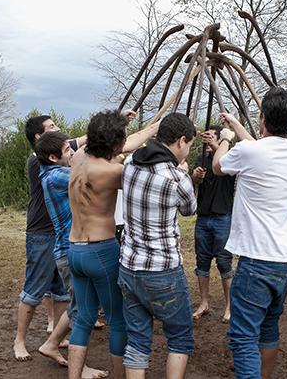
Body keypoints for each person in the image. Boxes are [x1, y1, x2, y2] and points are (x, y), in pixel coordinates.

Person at [212, 87, 287, 379]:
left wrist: (225, 139)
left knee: (242, 336)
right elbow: (260, 147)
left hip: (256, 261)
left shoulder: (248, 151)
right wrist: (237, 125)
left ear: (263, 117)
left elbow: (217, 167)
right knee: (268, 329)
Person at [67, 110, 159, 379]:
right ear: (113, 143)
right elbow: (132, 159)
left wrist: (147, 127)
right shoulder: (114, 171)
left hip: (75, 249)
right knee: (117, 318)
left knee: (83, 317)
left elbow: (122, 144)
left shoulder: (77, 158)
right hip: (101, 251)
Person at [117, 112, 197, 378]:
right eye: (189, 145)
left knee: (138, 340)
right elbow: (189, 209)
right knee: (180, 338)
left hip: (129, 266)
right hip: (163, 270)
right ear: (181, 140)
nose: (188, 151)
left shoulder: (130, 163)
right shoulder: (176, 178)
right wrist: (184, 174)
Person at [34, 130, 110, 378]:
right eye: (68, 151)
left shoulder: (52, 170)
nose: (73, 153)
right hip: (70, 251)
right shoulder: (56, 176)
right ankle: (81, 367)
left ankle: (51, 343)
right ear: (54, 157)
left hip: (69, 250)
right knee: (82, 311)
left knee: (79, 305)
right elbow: (90, 174)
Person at [13, 115, 81, 363]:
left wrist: (118, 122)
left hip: (60, 234)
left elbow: (85, 142)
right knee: (33, 289)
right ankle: (19, 341)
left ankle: (58, 335)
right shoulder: (37, 161)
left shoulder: (56, 156)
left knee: (61, 291)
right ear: (39, 138)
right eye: (52, 127)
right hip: (41, 234)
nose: (59, 128)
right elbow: (84, 142)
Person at [190, 125, 236, 322]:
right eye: (206, 137)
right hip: (203, 217)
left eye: (212, 136)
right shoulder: (201, 160)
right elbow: (192, 181)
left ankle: (229, 306)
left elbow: (225, 165)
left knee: (224, 262)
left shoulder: (228, 159)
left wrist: (217, 145)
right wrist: (195, 177)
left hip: (222, 217)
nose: (207, 141)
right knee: (202, 262)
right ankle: (204, 303)